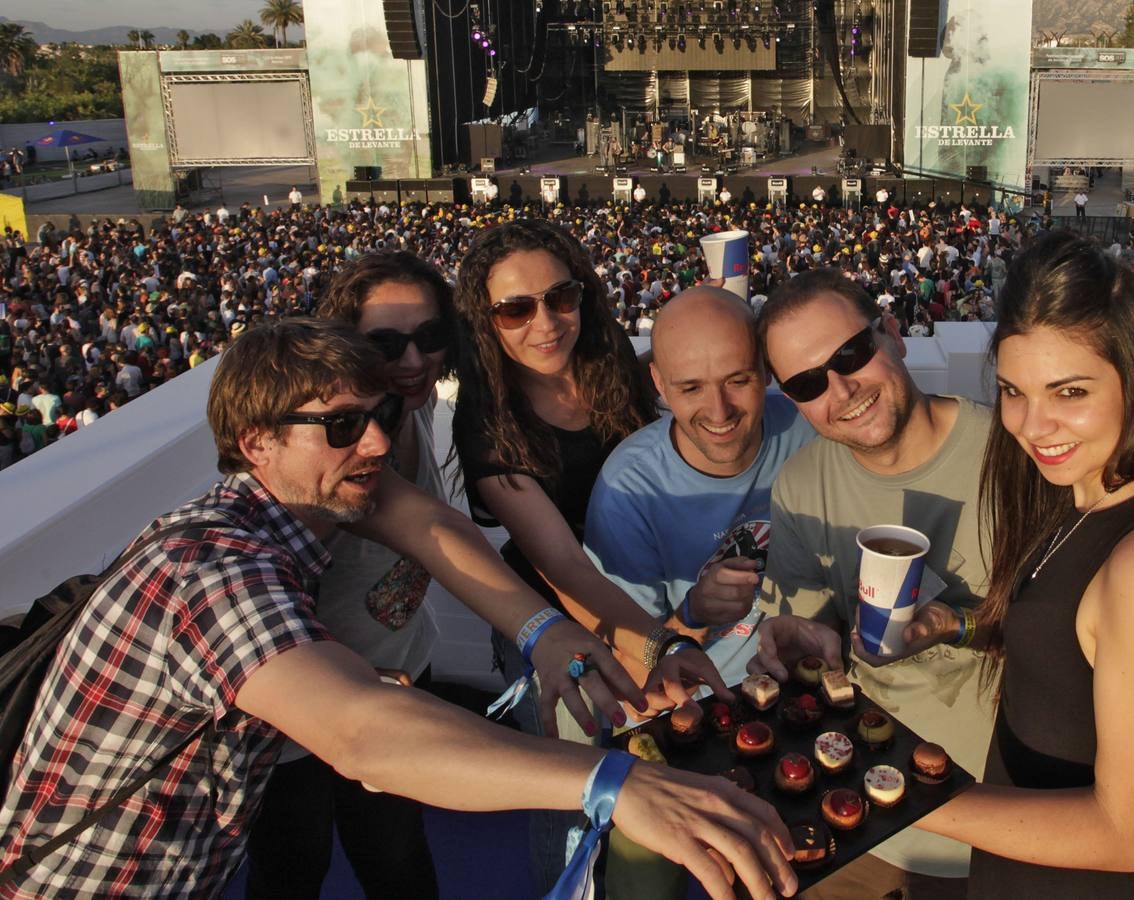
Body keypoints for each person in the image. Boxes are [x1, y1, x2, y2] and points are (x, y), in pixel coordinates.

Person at [0, 319, 798, 900]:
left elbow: (432, 527)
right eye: (342, 427)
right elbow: (361, 736)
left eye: (380, 419)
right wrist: (612, 784)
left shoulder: (283, 508)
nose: (379, 445)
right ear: (255, 441)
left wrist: (547, 634)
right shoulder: (211, 568)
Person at [765, 231, 1134, 899]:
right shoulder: (1076, 505)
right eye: (1013, 391)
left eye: (1070, 392)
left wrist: (892, 788)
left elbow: (1130, 835)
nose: (1032, 425)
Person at [451, 219, 732, 888]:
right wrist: (659, 646)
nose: (545, 322)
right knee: (575, 803)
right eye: (516, 309)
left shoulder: (619, 377)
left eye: (562, 297)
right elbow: (564, 565)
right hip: (552, 631)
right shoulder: (487, 423)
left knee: (665, 776)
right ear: (484, 322)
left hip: (654, 612)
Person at [749, 268, 996, 899]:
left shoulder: (1013, 459)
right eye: (806, 383)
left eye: (851, 354)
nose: (840, 388)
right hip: (859, 815)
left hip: (997, 825)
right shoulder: (802, 487)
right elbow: (816, 638)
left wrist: (958, 624)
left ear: (893, 333)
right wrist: (797, 637)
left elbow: (1078, 631)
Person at [582, 286, 820, 898]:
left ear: (766, 372)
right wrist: (688, 618)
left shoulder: (813, 427)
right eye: (690, 388)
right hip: (679, 724)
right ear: (659, 384)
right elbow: (620, 664)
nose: (719, 409)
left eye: (738, 380)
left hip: (794, 703)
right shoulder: (628, 488)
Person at [242, 252, 452, 899]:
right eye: (386, 342)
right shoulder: (331, 457)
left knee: (395, 855)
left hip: (398, 674)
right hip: (299, 722)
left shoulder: (405, 412)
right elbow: (434, 535)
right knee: (292, 868)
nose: (414, 359)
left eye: (430, 337)